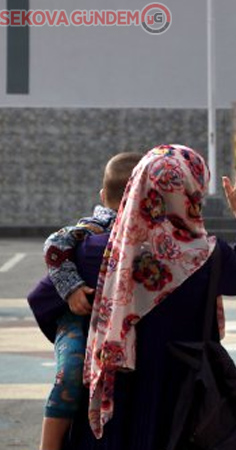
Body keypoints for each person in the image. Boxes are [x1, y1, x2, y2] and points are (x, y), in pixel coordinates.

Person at [28, 146, 236, 450]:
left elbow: (42, 299)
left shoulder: (94, 251)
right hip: (183, 409)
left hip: (109, 415)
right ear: (191, 191)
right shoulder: (207, 257)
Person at [37, 152, 143, 450]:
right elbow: (55, 244)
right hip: (77, 317)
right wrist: (71, 288)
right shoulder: (96, 226)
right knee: (70, 372)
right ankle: (49, 444)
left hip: (110, 319)